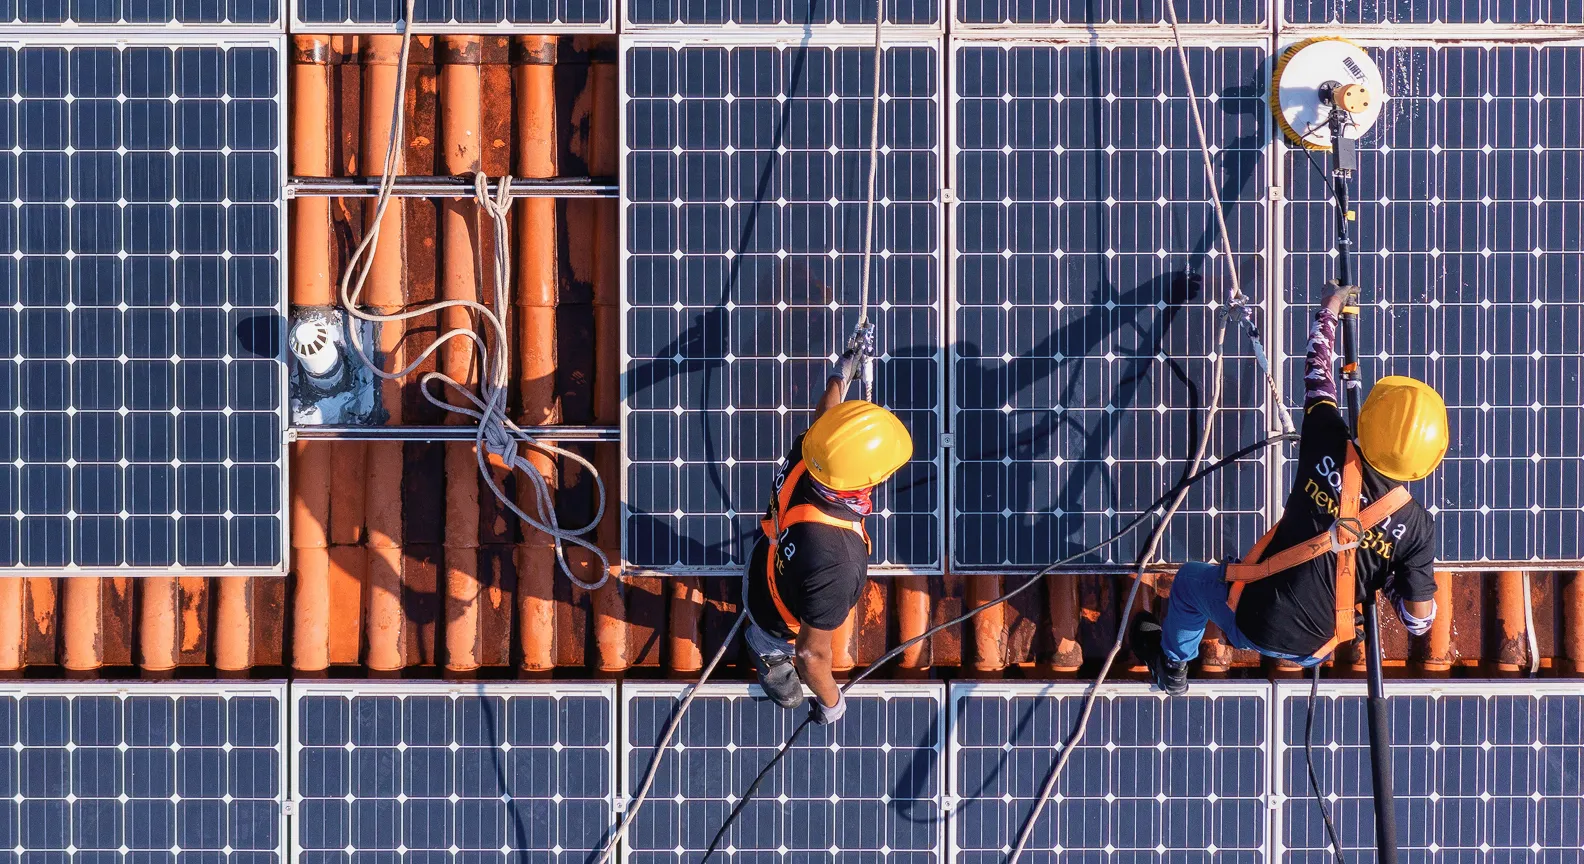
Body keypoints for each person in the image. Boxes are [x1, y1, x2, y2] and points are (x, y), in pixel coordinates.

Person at [1134, 286, 1447, 694]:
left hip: (1250, 620)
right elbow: (1418, 622)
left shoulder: (1326, 438)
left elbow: (1318, 373)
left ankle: (1172, 666)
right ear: (1426, 461)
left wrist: (1328, 310)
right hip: (1315, 648)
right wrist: (1388, 577)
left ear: (1371, 419)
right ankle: (1177, 665)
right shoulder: (1419, 529)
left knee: (1191, 582)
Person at [743, 339, 913, 724]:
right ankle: (764, 649)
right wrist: (833, 702)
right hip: (773, 614)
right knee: (776, 642)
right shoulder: (839, 561)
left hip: (767, 557)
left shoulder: (812, 450)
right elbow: (810, 654)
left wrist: (844, 369)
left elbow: (828, 416)